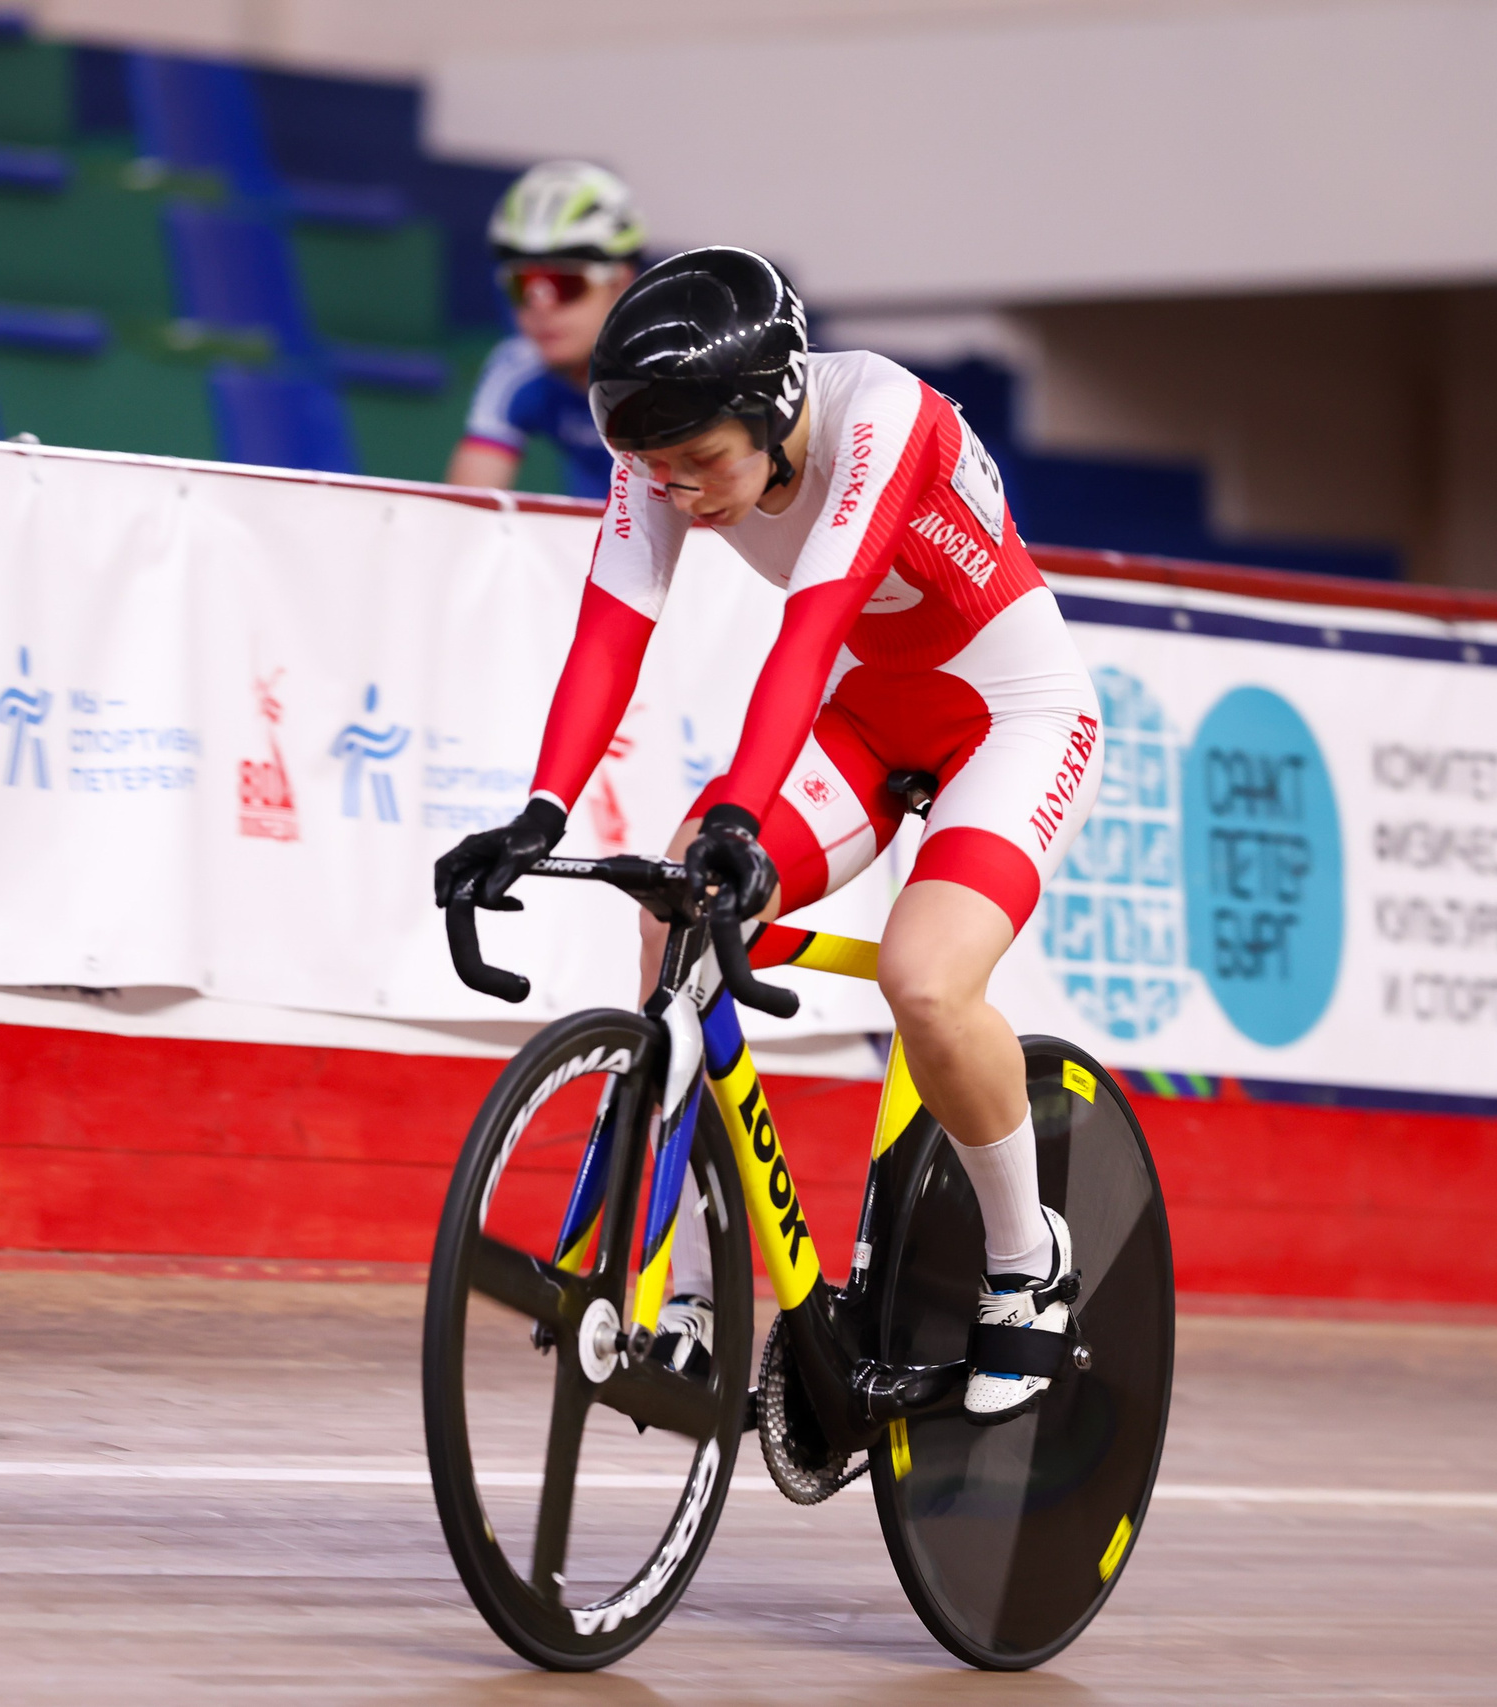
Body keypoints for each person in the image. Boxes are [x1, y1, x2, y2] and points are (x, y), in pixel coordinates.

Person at [435, 248, 1104, 1423]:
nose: (682, 494)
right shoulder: (667, 448)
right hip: (866, 716)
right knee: (675, 911)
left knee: (927, 983)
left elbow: (812, 626)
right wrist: (539, 812)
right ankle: (698, 1292)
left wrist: (742, 814)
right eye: (658, 472)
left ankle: (1025, 1257)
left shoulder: (881, 418)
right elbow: (609, 630)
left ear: (778, 407)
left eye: (702, 465)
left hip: (1012, 716)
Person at [443, 161, 644, 500]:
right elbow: (462, 515)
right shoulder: (519, 368)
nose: (541, 308)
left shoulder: (671, 374)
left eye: (565, 284)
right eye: (524, 286)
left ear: (619, 283)